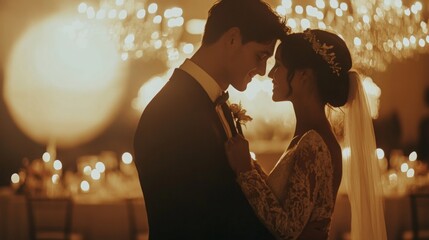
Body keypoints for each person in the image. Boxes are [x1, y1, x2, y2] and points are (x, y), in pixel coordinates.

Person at [133, 0, 289, 239]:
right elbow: (193, 221)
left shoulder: (215, 104)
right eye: (261, 55)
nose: (262, 70)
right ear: (233, 39)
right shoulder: (171, 113)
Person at [225, 29, 387, 239]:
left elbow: (287, 228)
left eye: (279, 65)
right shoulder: (308, 136)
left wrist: (245, 171)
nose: (271, 74)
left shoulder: (314, 142)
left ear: (304, 75)